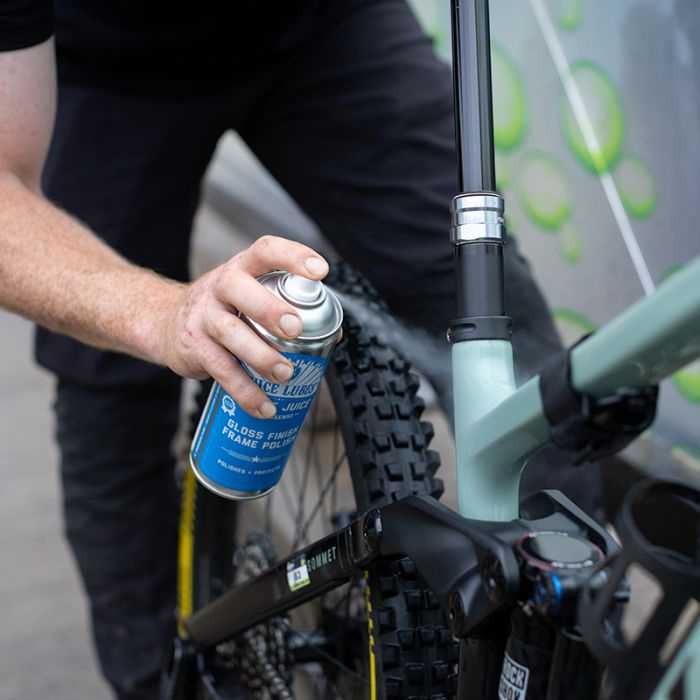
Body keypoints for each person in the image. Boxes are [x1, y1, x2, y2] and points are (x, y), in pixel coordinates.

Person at [0, 2, 594, 698]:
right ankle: (152, 679)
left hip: (325, 23)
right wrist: (158, 313)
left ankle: (562, 652)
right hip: (109, 64)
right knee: (110, 381)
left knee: (498, 328)